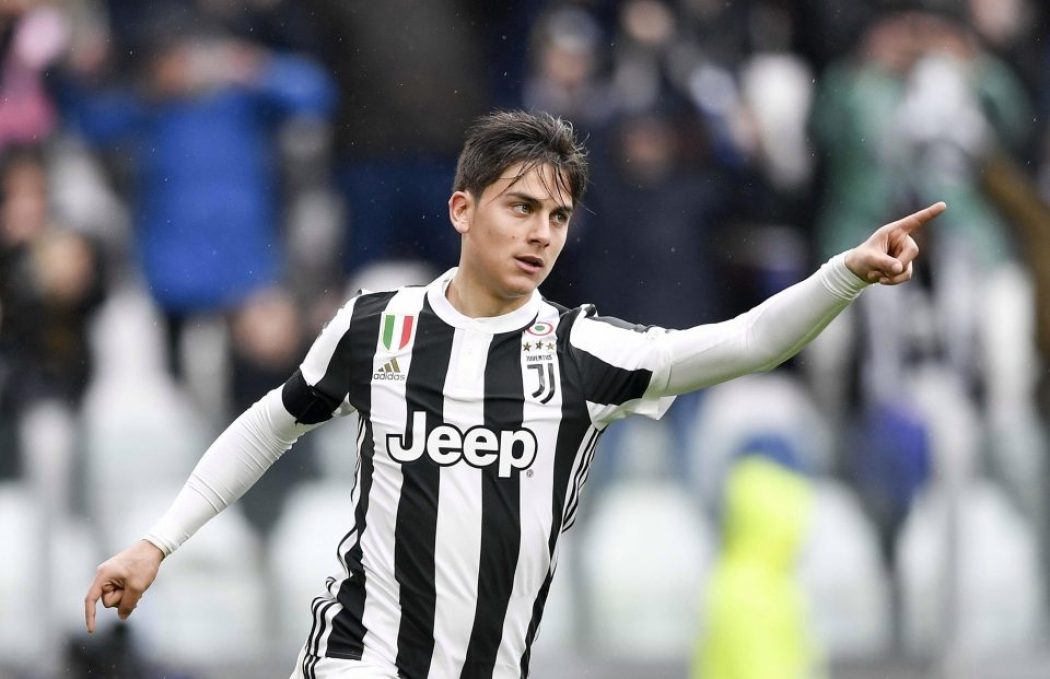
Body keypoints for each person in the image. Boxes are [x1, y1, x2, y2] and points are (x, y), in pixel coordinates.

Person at [84, 110, 945, 679]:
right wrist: (158, 542)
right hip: (359, 658)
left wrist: (846, 272)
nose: (540, 233)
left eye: (558, 217)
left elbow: (747, 343)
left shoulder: (583, 351)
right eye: (521, 207)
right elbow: (269, 425)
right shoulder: (378, 327)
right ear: (462, 209)